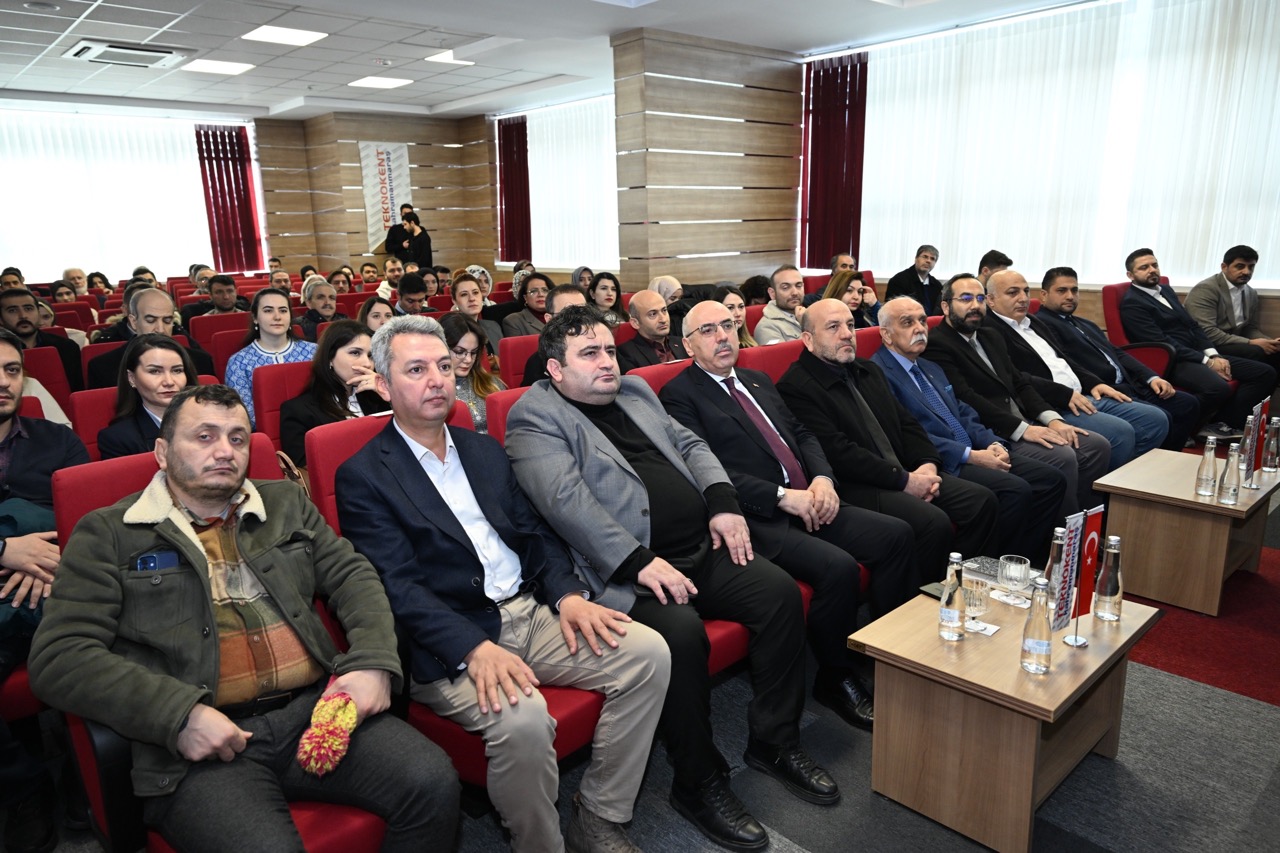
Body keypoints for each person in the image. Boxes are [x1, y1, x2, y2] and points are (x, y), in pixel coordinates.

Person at [29, 383, 460, 852]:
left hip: (313, 711)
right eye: (204, 437)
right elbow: (60, 657)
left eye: (237, 438)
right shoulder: (109, 532)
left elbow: (352, 576)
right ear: (162, 452)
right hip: (206, 741)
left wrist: (373, 661)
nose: (224, 451)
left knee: (432, 781)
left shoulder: (284, 503)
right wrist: (178, 715)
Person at [506, 305, 838, 852]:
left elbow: (691, 446)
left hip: (700, 548)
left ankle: (774, 742)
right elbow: (566, 503)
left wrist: (723, 503)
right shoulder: (534, 417)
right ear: (555, 370)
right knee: (680, 637)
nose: (607, 362)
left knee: (778, 594)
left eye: (608, 349)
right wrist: (636, 560)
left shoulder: (635, 390)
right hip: (625, 573)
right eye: (589, 354)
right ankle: (697, 782)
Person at [335, 315, 667, 852]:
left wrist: (568, 595)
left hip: (530, 610)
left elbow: (536, 535)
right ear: (382, 385)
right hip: (451, 639)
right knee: (525, 721)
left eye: (444, 366)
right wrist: (472, 647)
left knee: (649, 653)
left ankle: (600, 813)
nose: (437, 380)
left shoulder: (482, 449)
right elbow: (397, 587)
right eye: (416, 370)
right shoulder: (364, 475)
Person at [661, 300, 921, 729]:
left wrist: (822, 479)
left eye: (727, 326)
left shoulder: (757, 379)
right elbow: (704, 469)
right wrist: (782, 496)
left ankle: (890, 654)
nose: (722, 336)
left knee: (896, 535)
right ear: (688, 345)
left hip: (812, 498)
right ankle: (835, 677)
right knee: (838, 567)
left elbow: (802, 433)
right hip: (764, 516)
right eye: (708, 330)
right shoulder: (678, 396)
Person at [778, 298, 1000, 577]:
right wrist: (904, 481)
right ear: (808, 340)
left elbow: (907, 424)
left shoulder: (867, 370)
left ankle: (963, 585)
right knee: (932, 522)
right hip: (859, 485)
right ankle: (924, 598)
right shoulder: (796, 387)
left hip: (904, 470)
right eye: (833, 327)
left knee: (982, 501)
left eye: (850, 325)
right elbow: (839, 453)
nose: (847, 334)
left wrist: (927, 465)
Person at [871, 297, 1067, 562]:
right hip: (940, 460)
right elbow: (907, 434)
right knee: (1014, 490)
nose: (919, 328)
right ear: (886, 334)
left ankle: (1023, 561)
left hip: (974, 448)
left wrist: (993, 443)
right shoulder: (877, 373)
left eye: (922, 321)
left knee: (1051, 479)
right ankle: (993, 568)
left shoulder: (929, 366)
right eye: (907, 323)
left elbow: (963, 412)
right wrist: (970, 455)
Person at [924, 273, 1111, 517]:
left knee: (1097, 446)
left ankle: (1085, 521)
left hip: (1025, 419)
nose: (975, 306)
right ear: (946, 306)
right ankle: (1062, 531)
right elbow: (966, 398)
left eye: (980, 299)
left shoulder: (990, 335)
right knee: (1062, 456)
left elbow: (1019, 383)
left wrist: (1051, 419)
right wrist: (1023, 430)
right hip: (995, 431)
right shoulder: (937, 344)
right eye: (966, 299)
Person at [985, 268, 1169, 467]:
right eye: (1013, 293)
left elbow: (1066, 361)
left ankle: (1125, 476)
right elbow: (1016, 378)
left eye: (1026, 291)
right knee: (1120, 432)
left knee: (1155, 419)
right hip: (1053, 404)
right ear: (990, 300)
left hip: (1082, 394)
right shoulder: (989, 331)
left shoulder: (1032, 322)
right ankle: (1107, 484)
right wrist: (1065, 394)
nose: (1023, 298)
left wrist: (1095, 383)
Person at [1036, 267, 1199, 450]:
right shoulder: (1042, 324)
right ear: (1044, 295)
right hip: (1103, 390)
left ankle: (1166, 457)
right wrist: (1097, 384)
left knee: (1187, 404)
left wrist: (1151, 377)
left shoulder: (1084, 322)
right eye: (1062, 291)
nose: (1070, 296)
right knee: (1161, 416)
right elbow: (1067, 364)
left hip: (1130, 384)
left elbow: (1117, 353)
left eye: (1074, 290)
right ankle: (1147, 462)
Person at [1120, 248, 1275, 436]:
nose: (1152, 270)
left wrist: (1213, 355)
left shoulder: (1165, 290)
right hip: (1172, 359)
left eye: (1154, 265)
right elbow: (1160, 342)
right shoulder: (1132, 303)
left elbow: (1193, 326)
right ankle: (1179, 430)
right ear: (1130, 275)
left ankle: (1221, 423)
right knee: (1217, 388)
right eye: (1144, 267)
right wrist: (1207, 361)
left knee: (1264, 373)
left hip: (1195, 353)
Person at [280, 320, 388, 468]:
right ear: (329, 358)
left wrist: (389, 394)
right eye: (355, 353)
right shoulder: (298, 410)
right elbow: (306, 466)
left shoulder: (378, 397)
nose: (367, 363)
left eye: (370, 356)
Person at [225, 289, 318, 428]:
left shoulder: (314, 352)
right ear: (255, 317)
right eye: (268, 311)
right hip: (264, 433)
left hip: (315, 427)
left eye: (283, 310)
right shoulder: (239, 362)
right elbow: (244, 415)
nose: (277, 317)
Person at [87, 289, 215, 388]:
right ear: (133, 321)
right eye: (150, 320)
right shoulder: (103, 367)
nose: (160, 329)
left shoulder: (201, 361)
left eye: (167, 320)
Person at [98, 335, 198, 460]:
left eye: (177, 370)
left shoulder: (212, 419)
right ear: (132, 378)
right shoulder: (118, 439)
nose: (169, 381)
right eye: (155, 371)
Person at [1185, 245, 1280, 372]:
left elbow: (1249, 328)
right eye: (1240, 266)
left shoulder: (1250, 293)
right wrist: (1251, 342)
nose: (1247, 272)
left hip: (1234, 343)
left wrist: (1270, 342)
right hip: (1208, 345)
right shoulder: (1206, 289)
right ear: (1224, 267)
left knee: (1275, 352)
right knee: (1256, 351)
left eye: (1251, 267)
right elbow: (1207, 332)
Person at [0, 288, 84, 393]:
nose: (23, 316)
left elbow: (78, 392)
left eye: (28, 309)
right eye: (12, 310)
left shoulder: (67, 347)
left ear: (38, 313)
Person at [437, 314, 505, 435]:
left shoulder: (492, 383)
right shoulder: (433, 390)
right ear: (440, 348)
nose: (468, 360)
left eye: (473, 352)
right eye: (459, 352)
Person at [520, 285, 588, 386]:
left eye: (583, 312)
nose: (578, 319)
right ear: (549, 319)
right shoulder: (537, 362)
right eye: (567, 313)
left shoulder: (605, 350)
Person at [615, 290, 689, 373]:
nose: (663, 319)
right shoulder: (625, 353)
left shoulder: (683, 343)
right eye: (653, 314)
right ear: (635, 323)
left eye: (664, 310)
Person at [449, 274, 503, 355]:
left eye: (475, 292)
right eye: (464, 294)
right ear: (454, 301)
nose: (472, 299)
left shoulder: (493, 326)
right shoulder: (448, 331)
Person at [752, 265, 806, 345]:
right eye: (785, 287)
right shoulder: (766, 327)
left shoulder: (811, 313)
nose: (795, 292)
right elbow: (785, 353)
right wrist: (806, 326)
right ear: (772, 293)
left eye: (798, 286)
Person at [884, 244, 943, 316]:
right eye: (925, 257)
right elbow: (892, 311)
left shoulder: (937, 285)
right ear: (916, 259)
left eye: (932, 259)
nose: (928, 261)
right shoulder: (898, 280)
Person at [180, 274, 249, 325]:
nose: (226, 297)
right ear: (210, 296)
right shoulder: (202, 322)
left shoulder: (250, 318)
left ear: (236, 292)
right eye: (219, 292)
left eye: (230, 291)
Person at [502, 272, 552, 337]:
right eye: (533, 291)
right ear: (525, 298)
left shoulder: (560, 316)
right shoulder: (513, 321)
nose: (540, 294)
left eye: (545, 290)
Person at [299, 276, 348, 341]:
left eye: (332, 298)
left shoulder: (346, 322)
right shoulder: (299, 327)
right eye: (320, 298)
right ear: (308, 302)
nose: (327, 302)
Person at [715, 284, 757, 349]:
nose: (738, 314)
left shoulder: (750, 342)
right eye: (730, 308)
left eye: (741, 307)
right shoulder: (717, 346)